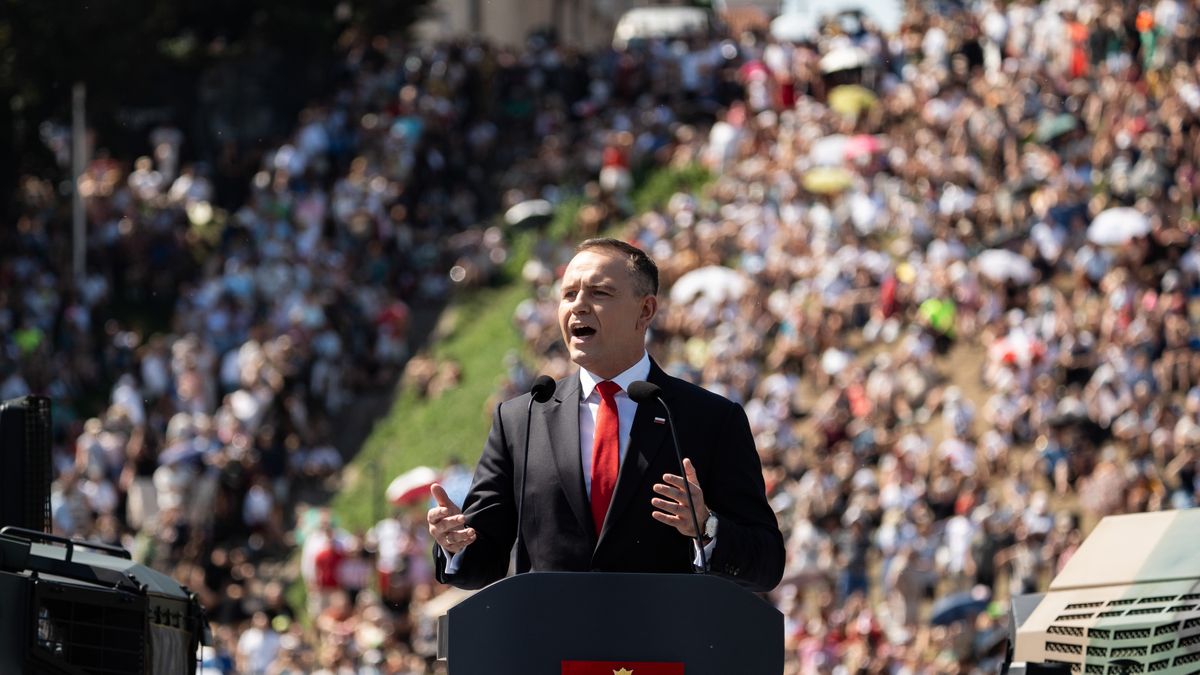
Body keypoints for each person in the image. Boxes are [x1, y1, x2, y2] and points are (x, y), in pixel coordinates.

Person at [427, 238, 784, 591]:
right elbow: (481, 562)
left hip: (663, 628)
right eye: (568, 294)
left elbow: (766, 563)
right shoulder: (522, 419)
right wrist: (455, 543)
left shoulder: (709, 419)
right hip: (549, 629)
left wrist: (705, 527)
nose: (578, 306)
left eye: (599, 293)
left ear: (645, 310)